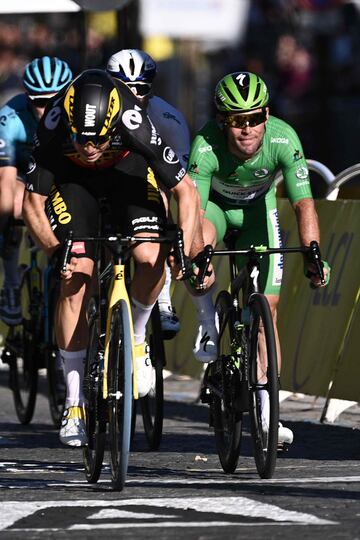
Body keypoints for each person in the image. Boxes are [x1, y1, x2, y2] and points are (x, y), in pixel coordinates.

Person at [22, 69, 201, 447]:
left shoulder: (133, 119)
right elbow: (31, 205)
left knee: (152, 256)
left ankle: (135, 338)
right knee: (77, 273)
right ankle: (74, 403)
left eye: (98, 140)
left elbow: (186, 191)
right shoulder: (55, 123)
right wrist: (56, 252)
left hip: (127, 174)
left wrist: (182, 246)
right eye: (82, 140)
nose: (89, 148)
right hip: (73, 184)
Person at [187, 71, 330, 446]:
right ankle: (207, 320)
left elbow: (303, 203)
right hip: (216, 210)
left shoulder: (284, 138)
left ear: (267, 115)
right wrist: (197, 261)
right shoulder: (206, 144)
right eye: (237, 121)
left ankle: (268, 414)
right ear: (223, 122)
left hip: (257, 214)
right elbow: (194, 212)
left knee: (268, 308)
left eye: (254, 119)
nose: (246, 129)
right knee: (199, 248)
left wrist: (314, 255)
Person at [106, 49, 191, 339]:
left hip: (149, 182)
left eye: (139, 89)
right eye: (122, 87)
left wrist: (178, 241)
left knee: (162, 200)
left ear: (150, 90)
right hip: (108, 180)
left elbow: (180, 183)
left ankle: (162, 297)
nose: (131, 95)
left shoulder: (169, 119)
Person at [0, 56, 73, 325]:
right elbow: (6, 182)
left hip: (58, 174)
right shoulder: (9, 119)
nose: (48, 110)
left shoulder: (78, 113)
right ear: (28, 99)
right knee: (12, 204)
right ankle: (9, 282)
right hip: (21, 173)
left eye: (56, 101)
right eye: (40, 102)